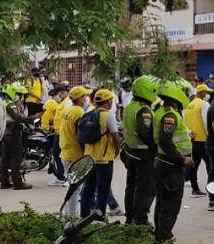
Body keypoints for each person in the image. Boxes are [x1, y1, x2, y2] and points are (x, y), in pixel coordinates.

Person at [153, 79, 194, 244]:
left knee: (162, 203)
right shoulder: (170, 115)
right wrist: (181, 159)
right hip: (170, 165)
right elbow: (164, 139)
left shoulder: (163, 111)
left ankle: (161, 239)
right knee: (170, 206)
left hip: (164, 163)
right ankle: (164, 243)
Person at [121, 75, 158, 225]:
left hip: (131, 152)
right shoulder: (144, 110)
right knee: (145, 189)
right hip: (143, 155)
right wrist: (155, 147)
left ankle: (130, 218)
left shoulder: (130, 106)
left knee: (131, 187)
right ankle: (141, 221)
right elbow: (144, 133)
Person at [81, 89, 121, 217]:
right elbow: (115, 137)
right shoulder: (108, 116)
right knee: (103, 190)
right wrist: (116, 151)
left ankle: (84, 215)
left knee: (88, 188)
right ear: (108, 101)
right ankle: (99, 216)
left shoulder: (88, 113)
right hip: (104, 159)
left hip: (89, 158)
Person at [58, 86, 91, 216]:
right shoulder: (79, 112)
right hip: (75, 154)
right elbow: (81, 135)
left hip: (65, 151)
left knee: (72, 186)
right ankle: (71, 216)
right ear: (79, 98)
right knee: (75, 188)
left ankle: (67, 214)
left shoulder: (67, 110)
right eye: (84, 96)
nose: (86, 98)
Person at [0, 82, 34, 190]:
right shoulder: (10, 104)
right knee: (15, 158)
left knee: (5, 159)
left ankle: (4, 182)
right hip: (13, 132)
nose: (21, 98)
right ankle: (18, 182)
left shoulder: (2, 102)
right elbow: (18, 118)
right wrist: (32, 118)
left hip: (4, 132)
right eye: (19, 95)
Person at [184, 84, 211, 197]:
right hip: (204, 140)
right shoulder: (203, 104)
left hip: (193, 140)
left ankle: (195, 189)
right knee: (211, 166)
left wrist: (189, 133)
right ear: (201, 93)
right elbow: (206, 122)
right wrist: (210, 136)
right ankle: (213, 191)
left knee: (194, 166)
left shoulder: (189, 105)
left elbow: (185, 122)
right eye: (206, 92)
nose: (208, 95)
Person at [42, 85, 68, 186]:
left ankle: (64, 178)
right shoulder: (62, 102)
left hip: (63, 133)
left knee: (61, 155)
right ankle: (60, 177)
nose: (56, 96)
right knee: (56, 154)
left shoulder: (67, 102)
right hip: (58, 132)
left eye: (57, 94)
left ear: (62, 92)